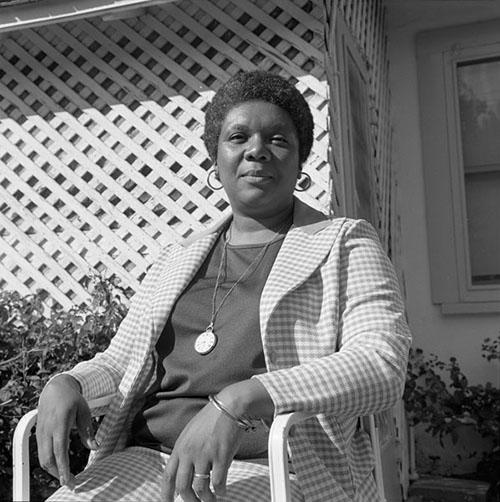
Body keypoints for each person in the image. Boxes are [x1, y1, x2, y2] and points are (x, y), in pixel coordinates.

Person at [36, 70, 411, 502]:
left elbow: (382, 365)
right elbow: (120, 362)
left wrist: (240, 400)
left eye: (278, 139)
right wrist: (69, 382)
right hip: (147, 460)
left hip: (277, 467)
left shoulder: (345, 242)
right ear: (216, 160)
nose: (257, 150)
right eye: (238, 137)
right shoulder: (177, 258)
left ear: (300, 160)